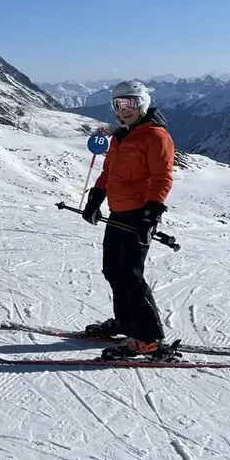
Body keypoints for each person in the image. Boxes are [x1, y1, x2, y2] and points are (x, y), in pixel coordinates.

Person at [81, 79, 174, 359]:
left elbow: (162, 177)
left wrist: (152, 212)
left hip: (138, 213)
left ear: (142, 104)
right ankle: (126, 322)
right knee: (112, 270)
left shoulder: (155, 136)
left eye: (130, 103)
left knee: (131, 275)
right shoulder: (120, 136)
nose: (125, 109)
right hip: (117, 212)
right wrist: (96, 196)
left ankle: (150, 338)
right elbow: (109, 171)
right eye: (119, 104)